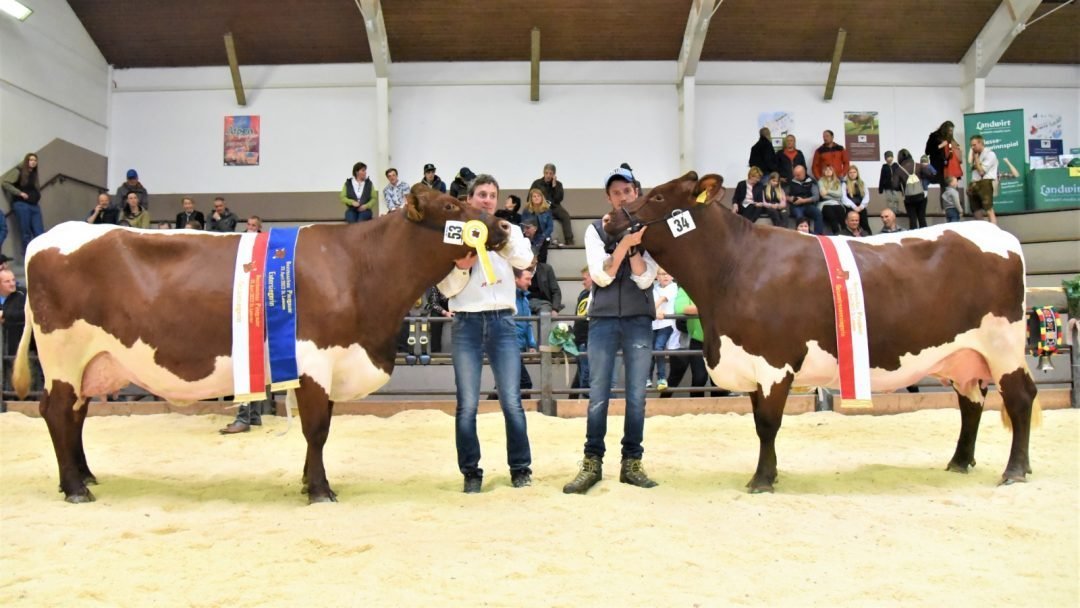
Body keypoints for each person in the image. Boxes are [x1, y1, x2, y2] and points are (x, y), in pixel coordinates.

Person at [563, 167, 658, 495]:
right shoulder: (594, 230)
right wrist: (626, 245)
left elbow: (646, 279)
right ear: (608, 197)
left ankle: (632, 462)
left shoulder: (651, 231)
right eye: (615, 192)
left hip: (638, 320)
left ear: (636, 192)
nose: (622, 196)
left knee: (637, 396)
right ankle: (592, 462)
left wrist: (631, 248)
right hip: (602, 319)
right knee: (597, 394)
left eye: (627, 191)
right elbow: (600, 277)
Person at [437, 174, 534, 493]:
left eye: (492, 194)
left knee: (511, 400)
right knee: (467, 403)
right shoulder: (452, 234)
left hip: (503, 322)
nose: (488, 199)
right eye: (481, 194)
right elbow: (446, 287)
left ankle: (520, 468)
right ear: (469, 199)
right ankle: (470, 472)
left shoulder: (510, 229)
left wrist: (499, 241)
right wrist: (463, 264)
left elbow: (526, 259)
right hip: (466, 322)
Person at [221, 216, 273, 434]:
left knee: (248, 363)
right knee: (252, 364)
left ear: (260, 230)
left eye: (254, 226)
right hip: (249, 312)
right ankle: (253, 414)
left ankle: (245, 416)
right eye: (248, 226)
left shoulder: (263, 253)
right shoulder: (243, 253)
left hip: (255, 314)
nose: (250, 229)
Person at [2, 153, 43, 253]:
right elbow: (5, 183)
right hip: (22, 205)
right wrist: (19, 193)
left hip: (34, 205)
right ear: (26, 161)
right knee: (26, 232)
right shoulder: (18, 171)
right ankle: (27, 256)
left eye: (35, 160)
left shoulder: (33, 174)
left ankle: (40, 256)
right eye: (30, 160)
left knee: (40, 233)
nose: (33, 162)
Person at [530, 163, 573, 246]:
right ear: (543, 173)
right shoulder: (537, 183)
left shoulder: (558, 184)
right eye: (546, 173)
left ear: (554, 174)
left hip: (554, 206)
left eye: (550, 173)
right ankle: (537, 240)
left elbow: (558, 199)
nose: (548, 175)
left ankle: (569, 240)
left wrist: (554, 186)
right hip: (540, 206)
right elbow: (530, 197)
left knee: (565, 215)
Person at [650, 268, 677, 392]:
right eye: (662, 274)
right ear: (657, 276)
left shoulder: (673, 287)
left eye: (668, 273)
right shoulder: (654, 288)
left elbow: (661, 300)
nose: (665, 276)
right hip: (653, 324)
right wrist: (654, 312)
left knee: (658, 348)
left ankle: (661, 378)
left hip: (667, 324)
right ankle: (647, 378)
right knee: (650, 350)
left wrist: (650, 311)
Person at [513, 267, 538, 391]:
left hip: (519, 346)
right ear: (516, 279)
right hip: (510, 345)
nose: (530, 283)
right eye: (527, 279)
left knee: (511, 382)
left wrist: (531, 345)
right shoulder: (508, 299)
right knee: (524, 383)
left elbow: (527, 323)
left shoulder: (524, 299)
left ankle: (488, 406)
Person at [893, 149, 930, 229]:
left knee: (912, 220)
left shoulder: (899, 170)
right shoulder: (918, 165)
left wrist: (903, 188)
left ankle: (914, 239)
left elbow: (895, 186)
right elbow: (929, 174)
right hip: (921, 196)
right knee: (922, 218)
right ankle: (925, 238)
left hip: (908, 198)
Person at [569, 266, 592, 392]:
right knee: (583, 373)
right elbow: (577, 317)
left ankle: (585, 400)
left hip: (589, 339)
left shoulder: (600, 295)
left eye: (585, 278)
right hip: (579, 339)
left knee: (586, 375)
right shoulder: (583, 294)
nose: (583, 282)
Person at [967, 135, 999, 225]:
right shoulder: (975, 154)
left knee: (988, 209)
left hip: (985, 182)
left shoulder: (990, 154)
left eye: (974, 145)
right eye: (971, 146)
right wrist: (973, 154)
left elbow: (981, 172)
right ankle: (982, 230)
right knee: (976, 210)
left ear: (981, 143)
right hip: (974, 183)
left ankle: (994, 232)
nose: (972, 147)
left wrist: (976, 159)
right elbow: (970, 163)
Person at [786, 165, 823, 235]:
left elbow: (816, 197)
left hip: (808, 205)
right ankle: (800, 236)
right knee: (801, 219)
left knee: (818, 213)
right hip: (796, 206)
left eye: (798, 175)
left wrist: (803, 200)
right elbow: (784, 195)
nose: (795, 177)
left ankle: (818, 235)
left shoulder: (811, 182)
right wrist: (790, 198)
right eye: (795, 175)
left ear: (804, 173)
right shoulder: (791, 181)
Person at [521, 188, 554, 261]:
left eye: (538, 196)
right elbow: (523, 225)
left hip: (543, 236)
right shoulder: (526, 210)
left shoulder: (547, 210)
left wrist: (543, 236)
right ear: (531, 198)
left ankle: (540, 266)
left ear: (542, 198)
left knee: (542, 243)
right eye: (534, 196)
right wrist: (528, 233)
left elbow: (550, 227)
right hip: (529, 236)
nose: (536, 198)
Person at [841, 165, 872, 235]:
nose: (852, 174)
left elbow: (866, 195)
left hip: (861, 207)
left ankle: (869, 236)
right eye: (850, 172)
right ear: (848, 174)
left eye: (854, 172)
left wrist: (861, 206)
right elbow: (844, 197)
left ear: (857, 173)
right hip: (850, 207)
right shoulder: (844, 184)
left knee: (864, 223)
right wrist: (854, 207)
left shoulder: (862, 183)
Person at [817, 165, 845, 235]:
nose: (828, 171)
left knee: (841, 214)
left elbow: (839, 194)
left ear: (833, 171)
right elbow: (823, 195)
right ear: (824, 172)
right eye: (826, 170)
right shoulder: (821, 181)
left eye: (830, 169)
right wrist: (834, 195)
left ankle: (845, 234)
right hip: (825, 203)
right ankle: (837, 234)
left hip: (836, 203)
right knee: (832, 216)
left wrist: (828, 191)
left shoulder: (837, 181)